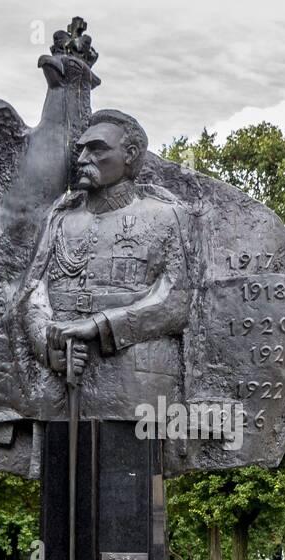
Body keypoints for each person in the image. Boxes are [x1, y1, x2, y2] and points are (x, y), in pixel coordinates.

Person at [17, 109, 194, 420]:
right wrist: (47, 342)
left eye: (96, 148)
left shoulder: (165, 216)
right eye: (81, 149)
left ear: (130, 155)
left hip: (135, 384)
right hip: (62, 377)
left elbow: (176, 302)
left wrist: (99, 326)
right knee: (60, 465)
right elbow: (34, 290)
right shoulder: (60, 218)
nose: (82, 158)